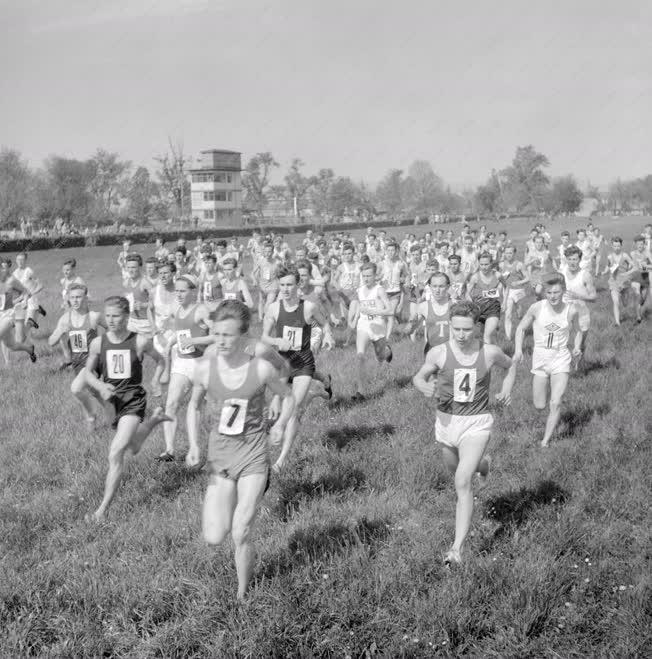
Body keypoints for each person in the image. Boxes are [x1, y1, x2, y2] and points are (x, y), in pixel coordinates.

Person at [189, 301, 296, 598]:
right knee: (214, 536)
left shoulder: (260, 354)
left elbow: (284, 373)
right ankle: (224, 500)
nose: (220, 340)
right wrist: (195, 443)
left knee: (242, 529)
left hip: (253, 452)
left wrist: (277, 412)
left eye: (228, 334)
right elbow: (196, 401)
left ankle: (242, 593)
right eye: (216, 333)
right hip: (221, 453)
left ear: (244, 334)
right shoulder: (210, 357)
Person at [412, 301, 515, 565]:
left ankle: (456, 549)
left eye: (467, 330)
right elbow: (420, 376)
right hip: (446, 422)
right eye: (456, 329)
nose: (460, 335)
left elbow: (511, 364)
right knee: (455, 468)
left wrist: (505, 389)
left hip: (476, 423)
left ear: (477, 328)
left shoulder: (489, 352)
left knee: (461, 480)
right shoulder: (438, 353)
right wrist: (423, 385)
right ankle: (483, 464)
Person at [83, 296, 170, 521]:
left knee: (116, 452)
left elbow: (161, 360)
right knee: (133, 445)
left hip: (133, 400)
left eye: (116, 316)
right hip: (112, 401)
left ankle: (101, 510)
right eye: (108, 316)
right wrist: (100, 386)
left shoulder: (140, 341)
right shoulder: (97, 343)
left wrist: (156, 380)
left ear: (127, 316)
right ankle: (154, 420)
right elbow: (87, 373)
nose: (111, 320)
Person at [262, 265, 334, 471]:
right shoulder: (274, 308)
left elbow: (324, 322)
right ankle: (316, 393)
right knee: (284, 406)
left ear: (298, 284)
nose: (285, 289)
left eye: (289, 285)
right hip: (282, 364)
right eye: (282, 285)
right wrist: (276, 340)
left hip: (303, 362)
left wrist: (328, 335)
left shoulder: (309, 307)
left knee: (294, 408)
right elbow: (264, 336)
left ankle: (282, 458)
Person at [513, 275, 583, 447]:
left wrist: (577, 346)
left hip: (561, 358)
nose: (552, 296)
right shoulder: (537, 308)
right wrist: (518, 350)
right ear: (545, 292)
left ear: (563, 291)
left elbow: (579, 331)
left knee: (556, 401)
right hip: (540, 359)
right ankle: (548, 408)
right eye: (549, 292)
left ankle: (545, 441)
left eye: (556, 292)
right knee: (539, 405)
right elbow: (521, 328)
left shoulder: (571, 310)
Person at [158, 275, 211, 463]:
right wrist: (170, 342)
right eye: (176, 291)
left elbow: (218, 336)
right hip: (181, 362)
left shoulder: (202, 310)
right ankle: (169, 450)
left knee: (199, 406)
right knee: (171, 403)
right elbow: (179, 331)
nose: (178, 294)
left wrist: (194, 341)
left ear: (193, 291)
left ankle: (197, 448)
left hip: (201, 364)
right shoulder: (176, 308)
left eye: (182, 291)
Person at [48, 283, 106, 428]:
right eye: (72, 297)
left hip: (93, 361)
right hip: (77, 362)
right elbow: (51, 342)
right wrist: (61, 330)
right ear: (68, 298)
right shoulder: (65, 319)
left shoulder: (94, 317)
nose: (75, 300)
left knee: (77, 389)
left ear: (86, 298)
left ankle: (91, 417)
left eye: (79, 297)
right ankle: (115, 412)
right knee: (95, 392)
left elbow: (113, 330)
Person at [348, 262, 393, 401]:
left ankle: (387, 351)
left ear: (375, 276)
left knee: (380, 357)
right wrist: (355, 318)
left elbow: (390, 310)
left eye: (369, 276)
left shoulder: (379, 290)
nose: (366, 278)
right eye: (364, 276)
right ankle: (360, 392)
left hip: (378, 327)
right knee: (360, 356)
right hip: (364, 326)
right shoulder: (360, 290)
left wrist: (372, 311)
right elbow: (359, 307)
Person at [560, 246, 596, 357]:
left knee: (581, 344)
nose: (572, 262)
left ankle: (579, 364)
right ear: (566, 259)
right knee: (561, 341)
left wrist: (579, 296)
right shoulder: (561, 273)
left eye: (575, 259)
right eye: (569, 259)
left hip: (581, 312)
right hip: (564, 311)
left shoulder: (585, 275)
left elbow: (594, 297)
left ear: (579, 259)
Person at [0, 258, 37, 363]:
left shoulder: (11, 280)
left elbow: (26, 291)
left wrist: (24, 300)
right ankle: (30, 350)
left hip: (8, 315)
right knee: (12, 345)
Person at [466, 252, 503, 345]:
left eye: (486, 264)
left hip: (493, 308)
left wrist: (505, 302)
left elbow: (507, 287)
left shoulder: (497, 275)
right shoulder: (475, 277)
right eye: (481, 264)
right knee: (483, 335)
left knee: (487, 335)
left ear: (491, 263)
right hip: (479, 308)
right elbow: (467, 293)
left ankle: (487, 358)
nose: (484, 267)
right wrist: (472, 304)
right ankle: (495, 353)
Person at [602, 237, 635, 326]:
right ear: (612, 246)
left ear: (621, 246)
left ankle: (625, 300)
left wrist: (630, 267)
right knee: (616, 301)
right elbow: (608, 266)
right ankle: (617, 322)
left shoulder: (625, 256)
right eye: (615, 246)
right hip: (614, 282)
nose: (617, 248)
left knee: (625, 303)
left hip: (624, 282)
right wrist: (604, 271)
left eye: (618, 246)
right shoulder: (609, 257)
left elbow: (632, 263)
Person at [499, 246, 529, 341]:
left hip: (519, 291)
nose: (508, 255)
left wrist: (518, 282)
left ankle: (522, 329)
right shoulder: (501, 265)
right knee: (508, 315)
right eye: (507, 253)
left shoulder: (519, 265)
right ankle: (508, 337)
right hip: (508, 291)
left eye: (510, 253)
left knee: (519, 313)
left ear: (514, 253)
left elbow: (528, 278)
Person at [629, 235, 652, 323]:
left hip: (645, 279)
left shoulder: (647, 253)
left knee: (642, 299)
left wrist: (645, 266)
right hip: (635, 278)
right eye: (638, 244)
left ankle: (640, 306)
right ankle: (638, 317)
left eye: (641, 244)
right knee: (638, 295)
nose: (640, 246)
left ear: (644, 244)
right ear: (635, 244)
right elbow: (630, 265)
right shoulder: (632, 253)